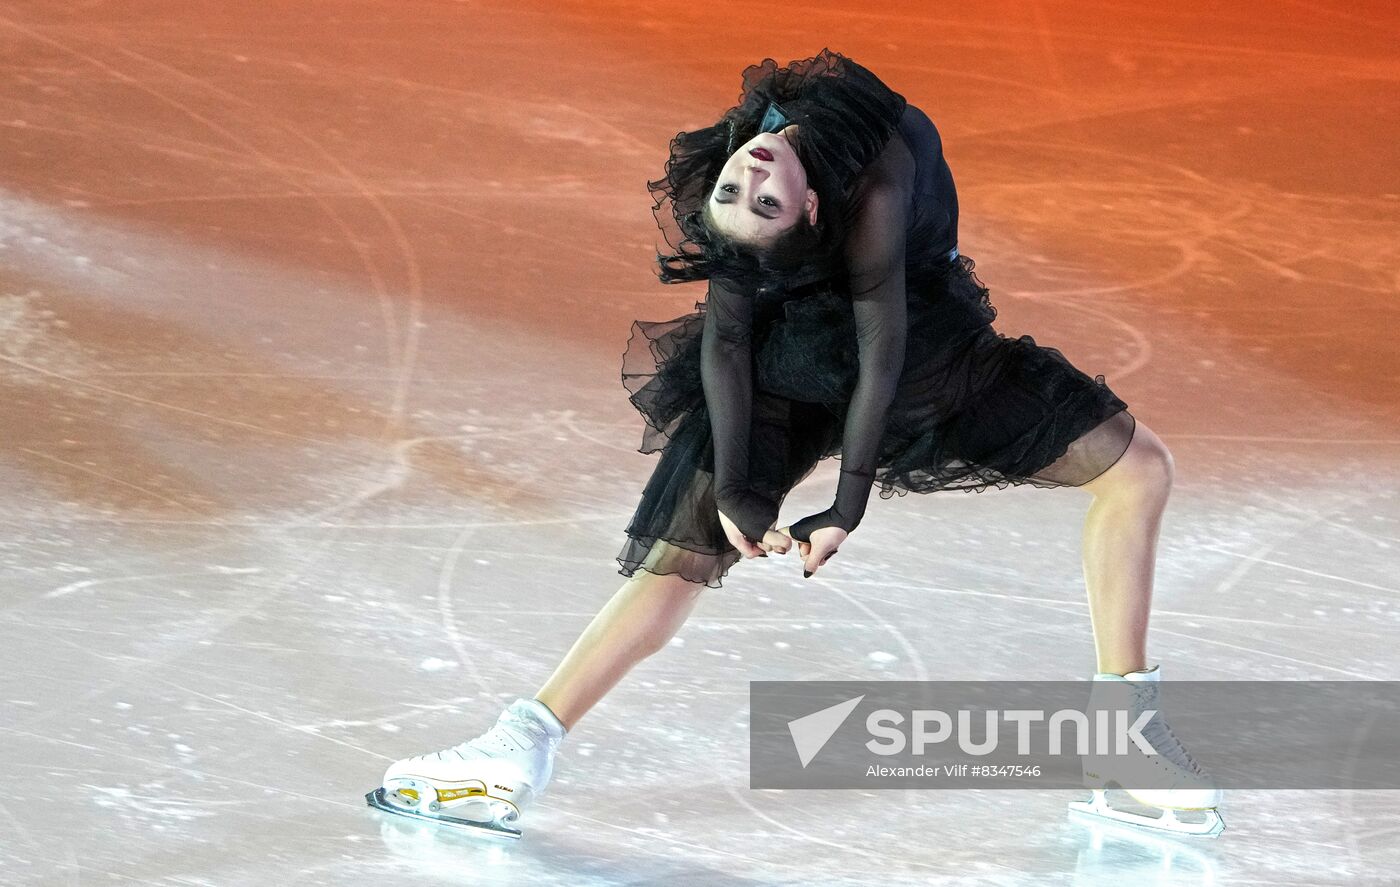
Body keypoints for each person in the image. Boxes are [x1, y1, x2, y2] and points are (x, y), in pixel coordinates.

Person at [366, 49, 1223, 840]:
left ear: (810, 204)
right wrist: (743, 486)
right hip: (844, 353)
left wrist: (843, 499)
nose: (748, 177)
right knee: (685, 547)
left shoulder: (817, 151)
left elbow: (871, 341)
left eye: (751, 192)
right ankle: (516, 746)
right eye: (746, 198)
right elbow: (737, 338)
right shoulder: (811, 177)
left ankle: (1123, 741)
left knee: (1135, 472)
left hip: (904, 351)